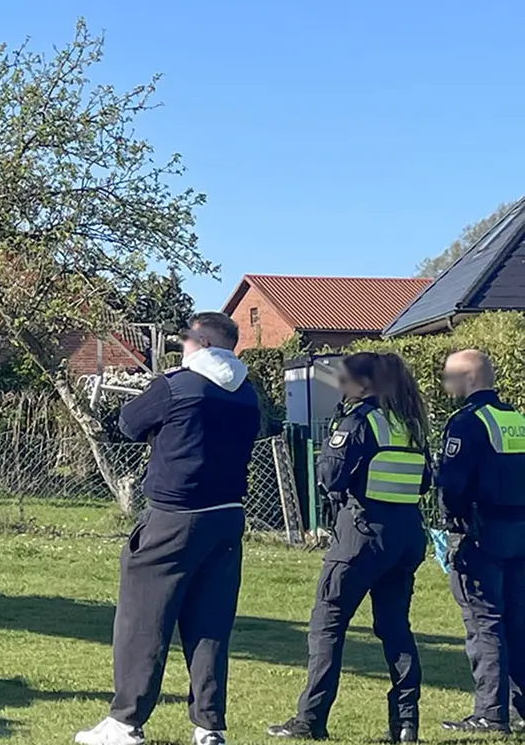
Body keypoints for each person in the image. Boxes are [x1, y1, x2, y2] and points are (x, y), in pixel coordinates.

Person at [76, 311, 262, 745]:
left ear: (198, 341)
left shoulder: (177, 384)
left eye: (185, 340)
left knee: (143, 618)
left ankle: (125, 720)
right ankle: (208, 726)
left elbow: (128, 424)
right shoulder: (248, 393)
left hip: (174, 516)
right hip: (227, 516)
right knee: (210, 623)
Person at [267, 352, 430, 742]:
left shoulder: (358, 421)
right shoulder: (409, 424)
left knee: (327, 625)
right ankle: (406, 723)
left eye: (346, 380)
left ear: (364, 383)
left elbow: (330, 476)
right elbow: (424, 483)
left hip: (359, 538)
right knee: (395, 629)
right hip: (405, 536)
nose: (341, 386)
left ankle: (310, 718)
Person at [436, 347, 525, 735]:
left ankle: (490, 712)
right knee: (517, 622)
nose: (446, 384)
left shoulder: (466, 423)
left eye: (449, 376)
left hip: (481, 533)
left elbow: (452, 485)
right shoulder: (517, 419)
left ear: (468, 378)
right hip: (520, 532)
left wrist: (450, 522)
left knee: (484, 621)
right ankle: (519, 710)